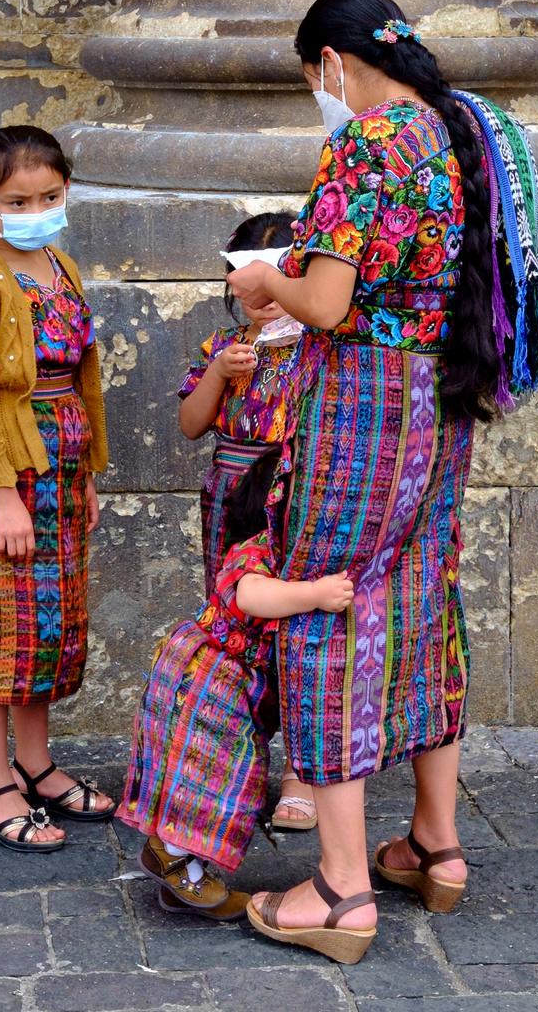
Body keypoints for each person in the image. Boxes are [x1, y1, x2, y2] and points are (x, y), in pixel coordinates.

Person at [227, 0, 538, 962]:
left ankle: (341, 887)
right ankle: (436, 847)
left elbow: (325, 301)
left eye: (311, 77)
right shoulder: (460, 130)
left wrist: (263, 279)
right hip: (441, 404)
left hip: (363, 407)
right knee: (420, 602)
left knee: (327, 603)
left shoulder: (366, 142)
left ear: (331, 62)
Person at [0, 125, 116, 852]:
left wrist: (90, 473)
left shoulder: (61, 265)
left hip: (63, 475)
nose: (36, 206)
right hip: (6, 477)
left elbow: (86, 379)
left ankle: (36, 764)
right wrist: (2, 492)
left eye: (49, 194)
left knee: (47, 630)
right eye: (18, 198)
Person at [117, 447, 361, 942]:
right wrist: (313, 594)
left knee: (208, 776)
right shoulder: (257, 549)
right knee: (210, 776)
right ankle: (173, 857)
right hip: (215, 681)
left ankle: (180, 871)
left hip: (220, 682)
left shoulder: (287, 553)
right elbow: (250, 594)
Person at [179, 212, 328, 831]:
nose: (263, 301)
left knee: (295, 624)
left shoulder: (325, 352)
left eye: (275, 284)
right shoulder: (224, 347)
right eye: (249, 287)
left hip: (290, 499)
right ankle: (244, 758)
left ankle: (302, 772)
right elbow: (191, 425)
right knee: (235, 621)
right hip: (228, 499)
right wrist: (219, 374)